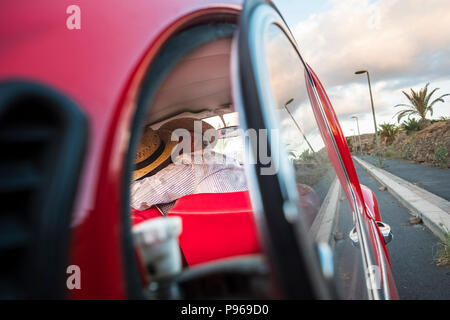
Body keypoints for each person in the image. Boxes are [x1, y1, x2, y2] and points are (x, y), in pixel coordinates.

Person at [131, 118, 247, 217]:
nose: (171, 147)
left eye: (174, 140)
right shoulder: (226, 160)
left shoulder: (192, 164)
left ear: (191, 140)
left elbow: (137, 197)